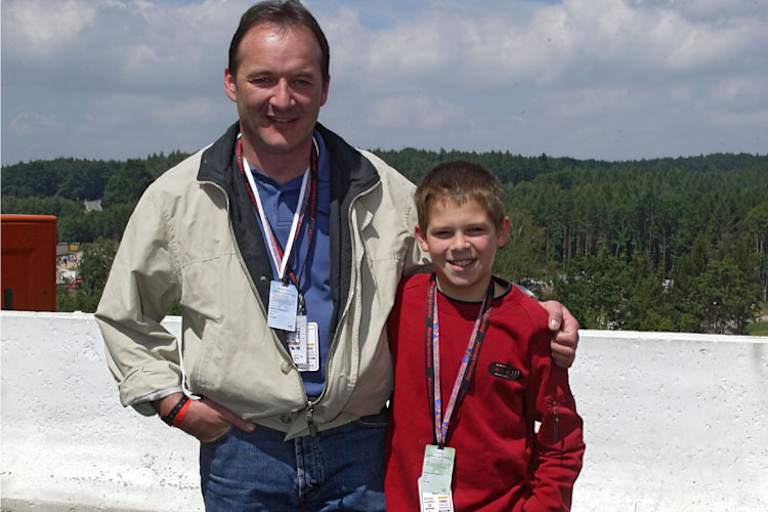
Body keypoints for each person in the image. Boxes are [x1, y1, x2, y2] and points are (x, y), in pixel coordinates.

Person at [95, 1, 580, 510]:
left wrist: (530, 309)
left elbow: (457, 267)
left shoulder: (379, 190)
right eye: (263, 79)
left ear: (325, 88)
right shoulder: (181, 198)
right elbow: (125, 316)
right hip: (243, 452)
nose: (282, 99)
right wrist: (174, 406)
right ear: (231, 83)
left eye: (301, 81)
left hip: (361, 452)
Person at [384, 161, 585, 511]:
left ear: (502, 231)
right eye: (443, 233)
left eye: (475, 230)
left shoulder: (531, 324)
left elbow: (562, 437)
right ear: (422, 239)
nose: (460, 246)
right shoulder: (399, 303)